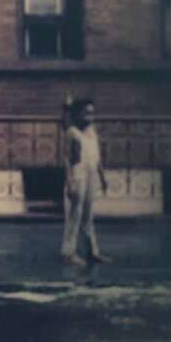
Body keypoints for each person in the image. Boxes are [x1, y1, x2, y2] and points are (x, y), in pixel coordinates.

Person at [61, 97, 110, 266]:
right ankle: (69, 253)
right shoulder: (72, 132)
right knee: (75, 214)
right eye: (86, 113)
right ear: (78, 114)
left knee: (89, 215)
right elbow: (67, 158)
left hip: (92, 174)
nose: (90, 117)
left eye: (92, 113)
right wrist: (70, 181)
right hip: (78, 173)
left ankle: (91, 252)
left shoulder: (92, 132)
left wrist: (102, 176)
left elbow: (97, 157)